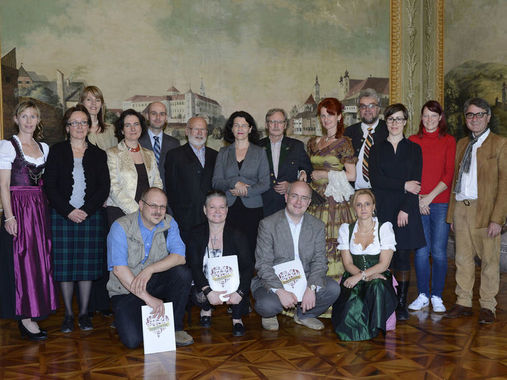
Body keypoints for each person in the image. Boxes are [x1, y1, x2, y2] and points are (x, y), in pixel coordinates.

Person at [44, 105, 110, 333]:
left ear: (89, 127)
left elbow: (104, 188)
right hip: (62, 216)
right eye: (75, 122)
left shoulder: (99, 154)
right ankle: (68, 315)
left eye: (83, 122)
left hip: (90, 217)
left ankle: (83, 313)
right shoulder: (57, 151)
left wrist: (86, 210)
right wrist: (68, 210)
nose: (79, 126)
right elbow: (49, 186)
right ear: (67, 127)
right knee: (64, 266)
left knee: (86, 265)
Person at [106, 187, 193, 348]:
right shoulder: (120, 227)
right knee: (133, 341)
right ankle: (129, 317)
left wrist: (150, 269)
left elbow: (180, 257)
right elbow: (119, 270)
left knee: (183, 274)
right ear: (141, 205)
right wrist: (148, 299)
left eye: (162, 207)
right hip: (126, 290)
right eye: (153, 205)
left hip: (154, 283)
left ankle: (175, 328)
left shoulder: (169, 222)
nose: (158, 211)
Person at [445, 98, 506, 324]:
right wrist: (452, 215)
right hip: (462, 208)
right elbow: (454, 182)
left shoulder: (500, 144)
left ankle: (488, 305)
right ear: (466, 119)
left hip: (486, 211)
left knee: (489, 261)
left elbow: (505, 184)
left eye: (479, 114)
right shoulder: (462, 144)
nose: (474, 119)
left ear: (488, 117)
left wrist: (497, 219)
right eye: (470, 115)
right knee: (462, 259)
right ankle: (463, 302)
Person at [0, 101, 58, 340]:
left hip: (38, 209)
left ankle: (33, 312)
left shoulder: (43, 147)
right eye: (24, 116)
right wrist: (9, 216)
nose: (28, 121)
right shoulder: (8, 146)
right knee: (21, 260)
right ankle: (24, 318)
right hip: (19, 207)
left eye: (33, 116)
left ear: (38, 120)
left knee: (38, 259)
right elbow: (3, 184)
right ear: (16, 119)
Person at [252, 181, 341, 331]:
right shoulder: (268, 224)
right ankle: (269, 314)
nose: (299, 202)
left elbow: (320, 261)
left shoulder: (317, 226)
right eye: (294, 196)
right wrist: (280, 291)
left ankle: (303, 314)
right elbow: (263, 265)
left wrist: (311, 287)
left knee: (333, 289)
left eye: (304, 198)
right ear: (286, 197)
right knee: (266, 305)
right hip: (275, 279)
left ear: (309, 202)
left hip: (304, 278)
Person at [369, 103, 426, 321]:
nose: (395, 123)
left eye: (399, 119)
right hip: (383, 208)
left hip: (406, 210)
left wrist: (405, 207)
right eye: (391, 119)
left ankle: (401, 303)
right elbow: (376, 180)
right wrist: (403, 184)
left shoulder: (414, 149)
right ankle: (388, 300)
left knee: (403, 257)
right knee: (385, 257)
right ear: (387, 122)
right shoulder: (377, 148)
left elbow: (416, 185)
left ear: (405, 122)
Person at [306, 97, 356, 309]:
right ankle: (311, 296)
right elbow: (306, 169)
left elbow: (352, 175)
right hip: (313, 202)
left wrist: (323, 173)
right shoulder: (313, 142)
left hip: (335, 203)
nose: (326, 119)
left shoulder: (344, 143)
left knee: (334, 247)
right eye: (323, 115)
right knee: (312, 246)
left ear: (339, 117)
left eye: (330, 115)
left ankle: (334, 302)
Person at [407, 101, 456, 313]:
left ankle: (436, 295)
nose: (429, 120)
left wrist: (429, 198)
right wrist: (419, 199)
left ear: (440, 118)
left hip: (440, 203)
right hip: (418, 203)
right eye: (425, 115)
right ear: (421, 118)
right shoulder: (412, 140)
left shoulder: (449, 141)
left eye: (433, 116)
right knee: (420, 252)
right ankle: (422, 295)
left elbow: (448, 174)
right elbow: (408, 173)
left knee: (438, 252)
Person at [332, 189, 398, 341]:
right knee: (352, 304)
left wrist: (364, 276)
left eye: (367, 204)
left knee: (377, 285)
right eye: (359, 205)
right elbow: (348, 263)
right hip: (353, 274)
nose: (363, 208)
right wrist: (360, 277)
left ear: (373, 206)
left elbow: (383, 264)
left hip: (378, 274)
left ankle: (375, 326)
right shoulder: (346, 230)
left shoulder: (384, 228)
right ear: (354, 208)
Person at [187, 190, 253, 336]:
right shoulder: (195, 233)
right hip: (204, 284)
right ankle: (206, 309)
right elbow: (195, 266)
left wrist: (240, 292)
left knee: (240, 287)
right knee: (200, 297)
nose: (217, 211)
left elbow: (248, 267)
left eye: (222, 207)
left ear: (227, 210)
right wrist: (208, 291)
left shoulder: (238, 234)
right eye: (212, 207)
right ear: (205, 209)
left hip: (232, 285)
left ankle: (237, 318)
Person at [212, 111, 270, 259]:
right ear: (231, 128)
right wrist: (233, 182)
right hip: (228, 209)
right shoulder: (223, 152)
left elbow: (265, 183)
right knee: (230, 247)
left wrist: (246, 191)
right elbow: (216, 182)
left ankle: (248, 281)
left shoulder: (260, 153)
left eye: (244, 125)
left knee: (250, 249)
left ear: (250, 129)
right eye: (236, 125)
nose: (240, 128)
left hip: (252, 209)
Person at [164, 117, 217, 245]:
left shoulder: (215, 155)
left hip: (211, 218)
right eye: (195, 129)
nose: (199, 133)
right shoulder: (174, 155)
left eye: (203, 129)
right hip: (185, 220)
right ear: (187, 131)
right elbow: (171, 189)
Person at [105, 109, 163, 227]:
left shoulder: (149, 154)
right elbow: (113, 187)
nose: (133, 128)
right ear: (122, 130)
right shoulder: (112, 153)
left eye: (136, 124)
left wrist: (152, 208)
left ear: (141, 128)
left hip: (148, 214)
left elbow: (157, 183)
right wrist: (138, 211)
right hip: (120, 212)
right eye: (128, 125)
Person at [259, 108, 313, 217]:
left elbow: (308, 171)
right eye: (272, 122)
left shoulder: (296, 146)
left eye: (280, 122)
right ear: (266, 125)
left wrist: (292, 185)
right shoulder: (257, 146)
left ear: (285, 125)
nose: (276, 125)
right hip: (262, 204)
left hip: (289, 205)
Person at [344, 88, 388, 189]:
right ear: (359, 109)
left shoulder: (389, 131)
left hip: (382, 194)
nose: (367, 110)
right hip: (354, 194)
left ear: (378, 108)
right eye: (363, 106)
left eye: (372, 106)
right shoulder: (348, 133)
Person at [139, 102, 179, 190]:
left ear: (166, 117)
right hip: (142, 196)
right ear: (147, 116)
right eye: (154, 113)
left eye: (162, 114)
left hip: (167, 198)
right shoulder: (137, 142)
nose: (158, 117)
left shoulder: (175, 144)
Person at [80, 86, 117, 151]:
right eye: (89, 99)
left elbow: (116, 156)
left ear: (101, 105)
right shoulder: (76, 129)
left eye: (97, 100)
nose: (93, 103)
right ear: (82, 103)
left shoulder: (111, 129)